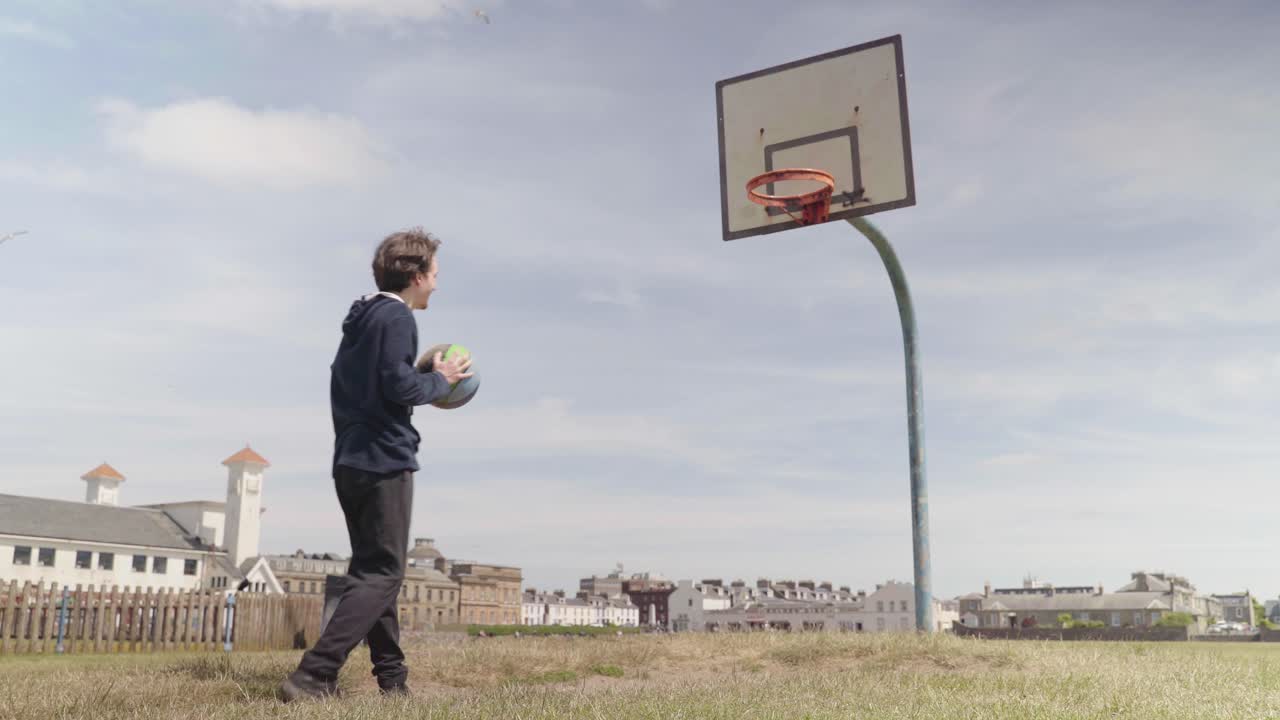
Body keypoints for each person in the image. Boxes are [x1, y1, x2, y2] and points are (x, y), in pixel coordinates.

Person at [280, 228, 472, 702]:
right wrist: (439, 380)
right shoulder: (397, 318)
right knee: (384, 573)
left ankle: (393, 681)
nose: (436, 285)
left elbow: (371, 383)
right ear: (417, 275)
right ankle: (313, 675)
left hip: (350, 459)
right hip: (383, 458)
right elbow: (400, 388)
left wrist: (414, 378)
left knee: (374, 570)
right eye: (434, 275)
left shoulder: (363, 321)